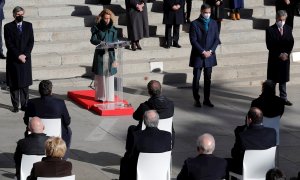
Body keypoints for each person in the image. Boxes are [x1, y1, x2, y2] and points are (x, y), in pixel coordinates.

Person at [23, 80, 72, 158]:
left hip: (36, 134)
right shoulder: (60, 103)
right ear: (51, 90)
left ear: (39, 91)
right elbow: (67, 121)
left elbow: (26, 121)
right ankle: (63, 156)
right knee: (68, 131)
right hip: (57, 134)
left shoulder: (31, 103)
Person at [119, 110, 172, 180]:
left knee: (125, 161)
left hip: (140, 172)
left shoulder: (136, 136)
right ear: (158, 121)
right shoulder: (167, 135)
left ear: (144, 122)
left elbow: (130, 154)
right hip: (160, 170)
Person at [189, 3, 220, 108]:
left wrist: (211, 51)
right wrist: (203, 51)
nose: (207, 14)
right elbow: (193, 40)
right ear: (201, 12)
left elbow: (216, 39)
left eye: (209, 12)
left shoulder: (214, 23)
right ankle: (196, 99)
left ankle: (207, 99)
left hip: (210, 56)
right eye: (205, 12)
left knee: (208, 79)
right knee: (196, 78)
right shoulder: (194, 24)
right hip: (198, 55)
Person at [4, 6, 34, 113]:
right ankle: (15, 105)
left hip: (25, 59)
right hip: (14, 59)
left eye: (21, 14)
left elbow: (31, 42)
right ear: (13, 15)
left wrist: (25, 55)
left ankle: (25, 105)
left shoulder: (29, 25)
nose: (20, 16)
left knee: (25, 84)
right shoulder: (8, 27)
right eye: (18, 15)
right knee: (14, 84)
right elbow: (9, 44)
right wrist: (18, 55)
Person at [230, 107, 276, 174]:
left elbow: (234, 154)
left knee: (223, 163)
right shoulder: (272, 132)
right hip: (266, 169)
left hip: (247, 170)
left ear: (249, 120)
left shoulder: (242, 135)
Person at [131, 80, 175, 145]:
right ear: (161, 89)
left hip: (147, 141)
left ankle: (129, 154)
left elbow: (135, 116)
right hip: (168, 140)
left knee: (131, 129)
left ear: (149, 92)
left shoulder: (144, 107)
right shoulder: (171, 105)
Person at [266, 10, 294, 106]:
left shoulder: (288, 29)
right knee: (272, 81)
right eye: (280, 19)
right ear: (276, 18)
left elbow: (291, 43)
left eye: (283, 20)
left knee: (283, 80)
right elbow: (269, 45)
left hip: (285, 59)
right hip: (274, 59)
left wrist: (287, 53)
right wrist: (279, 54)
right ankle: (270, 97)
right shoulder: (270, 30)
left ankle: (283, 98)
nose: (282, 22)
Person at [90, 9, 118, 102]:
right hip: (100, 54)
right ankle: (100, 97)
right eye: (105, 18)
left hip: (110, 54)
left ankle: (110, 97)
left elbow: (115, 40)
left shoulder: (113, 28)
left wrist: (117, 43)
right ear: (102, 17)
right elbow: (93, 39)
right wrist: (100, 42)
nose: (107, 20)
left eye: (109, 18)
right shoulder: (97, 27)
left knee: (110, 75)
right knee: (101, 76)